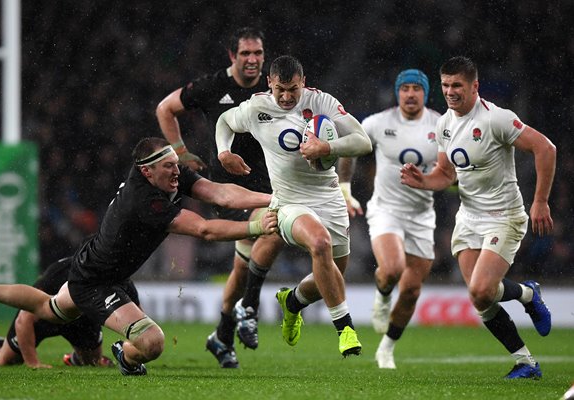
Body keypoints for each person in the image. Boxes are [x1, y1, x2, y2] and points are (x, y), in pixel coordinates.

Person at [0, 137, 278, 376]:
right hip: (94, 283)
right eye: (169, 166)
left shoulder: (162, 171)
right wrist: (254, 225)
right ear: (147, 171)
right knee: (152, 342)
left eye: (175, 164)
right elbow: (205, 230)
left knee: (47, 308)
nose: (177, 171)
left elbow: (220, 193)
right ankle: (126, 357)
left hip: (102, 270)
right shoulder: (144, 202)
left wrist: (275, 197)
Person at [400, 56, 555, 379]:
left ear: (474, 86)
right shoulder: (444, 124)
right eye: (445, 85)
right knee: (480, 298)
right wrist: (423, 181)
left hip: (504, 216)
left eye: (457, 85)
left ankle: (529, 294)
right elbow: (445, 174)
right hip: (469, 217)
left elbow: (545, 148)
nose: (450, 91)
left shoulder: (496, 119)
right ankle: (526, 360)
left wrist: (540, 201)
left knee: (483, 290)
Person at [216, 55, 372, 356]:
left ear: (304, 83)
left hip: (328, 197)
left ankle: (292, 302)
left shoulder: (322, 102)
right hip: (288, 201)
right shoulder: (257, 107)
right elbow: (225, 121)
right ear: (269, 84)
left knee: (333, 273)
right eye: (280, 90)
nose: (287, 97)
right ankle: (346, 328)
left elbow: (362, 141)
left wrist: (328, 147)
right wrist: (224, 152)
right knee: (319, 243)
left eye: (293, 90)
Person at [156, 26, 285, 368]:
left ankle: (223, 336)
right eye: (246, 54)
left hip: (269, 184)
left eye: (258, 53)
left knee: (242, 268)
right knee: (274, 225)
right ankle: (250, 308)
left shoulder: (273, 87)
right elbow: (164, 109)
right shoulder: (212, 86)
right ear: (232, 56)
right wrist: (181, 153)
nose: (253, 60)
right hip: (228, 192)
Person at [338, 69, 441, 369]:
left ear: (425, 93)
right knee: (392, 269)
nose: (410, 94)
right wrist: (345, 187)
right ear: (397, 92)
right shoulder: (379, 122)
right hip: (386, 210)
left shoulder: (441, 125)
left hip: (423, 215)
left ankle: (386, 348)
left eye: (416, 89)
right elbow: (351, 146)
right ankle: (382, 297)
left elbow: (458, 159)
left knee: (411, 290)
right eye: (405, 88)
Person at [0, 257, 139, 368]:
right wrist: (33, 363)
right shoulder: (59, 273)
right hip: (45, 319)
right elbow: (24, 319)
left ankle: (74, 359)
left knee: (92, 363)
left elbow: (138, 322)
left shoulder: (121, 278)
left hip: (81, 319)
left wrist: (134, 352)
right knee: (5, 360)